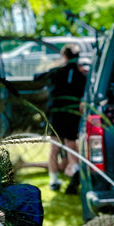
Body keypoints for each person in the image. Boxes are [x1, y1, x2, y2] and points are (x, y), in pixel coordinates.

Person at [36, 44, 86, 193]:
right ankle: (76, 171)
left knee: (54, 147)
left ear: (64, 56)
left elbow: (37, 77)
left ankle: (54, 180)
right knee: (71, 144)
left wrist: (55, 66)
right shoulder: (82, 74)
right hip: (72, 113)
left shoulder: (57, 71)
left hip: (57, 113)